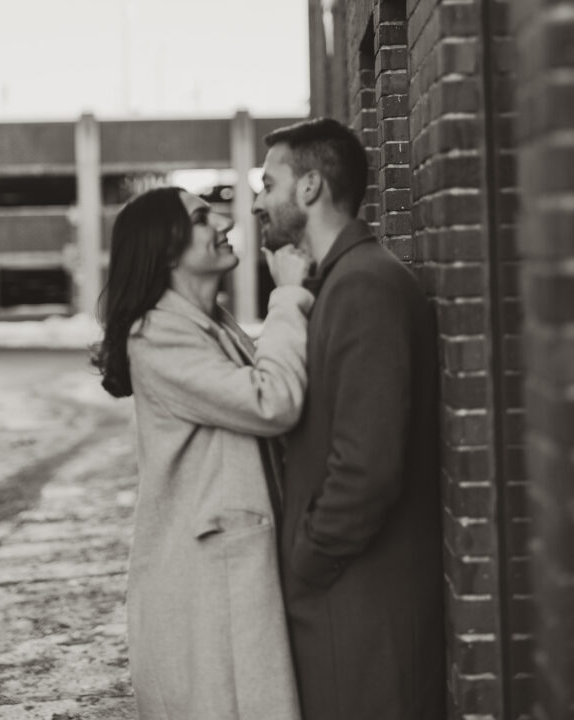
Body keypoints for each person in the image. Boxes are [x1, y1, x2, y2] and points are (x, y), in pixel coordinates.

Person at [92, 185, 313, 720]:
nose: (224, 223)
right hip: (205, 586)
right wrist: (287, 297)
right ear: (166, 247)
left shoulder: (210, 323)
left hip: (228, 573)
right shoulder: (156, 336)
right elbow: (271, 400)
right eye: (200, 217)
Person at [253, 117, 445, 720]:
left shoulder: (365, 286)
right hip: (346, 605)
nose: (258, 202)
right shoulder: (338, 282)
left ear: (309, 188)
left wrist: (307, 562)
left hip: (361, 611)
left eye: (268, 183)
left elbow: (367, 467)